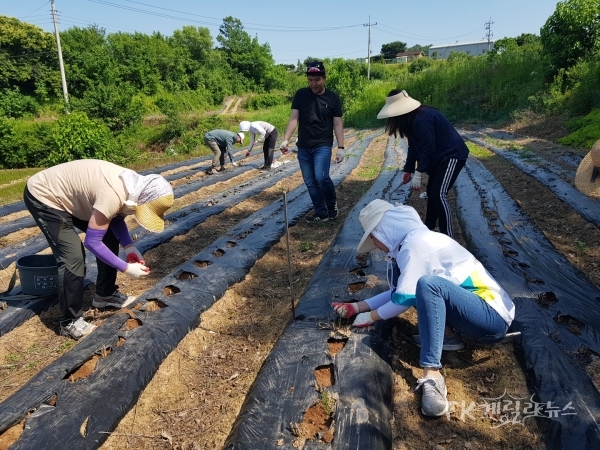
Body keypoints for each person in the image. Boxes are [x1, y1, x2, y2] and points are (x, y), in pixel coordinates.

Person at [332, 199, 514, 417]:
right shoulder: (411, 243)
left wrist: (371, 316)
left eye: (374, 237)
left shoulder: (416, 247)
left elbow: (404, 301)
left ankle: (433, 375)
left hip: (490, 317)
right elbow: (399, 292)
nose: (376, 246)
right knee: (422, 286)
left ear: (384, 230)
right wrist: (357, 307)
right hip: (475, 313)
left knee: (429, 285)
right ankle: (448, 338)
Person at [24, 159, 174, 340]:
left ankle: (105, 294)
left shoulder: (133, 186)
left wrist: (129, 247)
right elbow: (92, 242)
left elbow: (115, 218)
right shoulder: (113, 194)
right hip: (46, 196)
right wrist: (125, 268)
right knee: (73, 255)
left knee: (108, 235)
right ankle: (70, 322)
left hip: (75, 197)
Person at [377, 89, 469, 237]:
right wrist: (409, 170)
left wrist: (419, 173)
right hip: (439, 159)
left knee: (439, 194)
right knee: (433, 193)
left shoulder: (421, 119)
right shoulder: (412, 120)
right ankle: (429, 229)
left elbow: (428, 148)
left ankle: (448, 236)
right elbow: (413, 146)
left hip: (452, 156)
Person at [280, 61, 345, 222]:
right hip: (303, 146)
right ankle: (321, 212)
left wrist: (341, 147)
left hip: (322, 144)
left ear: (324, 78)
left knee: (321, 177)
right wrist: (286, 139)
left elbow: (337, 123)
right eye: (310, 80)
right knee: (310, 181)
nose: (313, 84)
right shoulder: (301, 95)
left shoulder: (333, 98)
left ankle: (331, 206)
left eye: (317, 80)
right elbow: (294, 118)